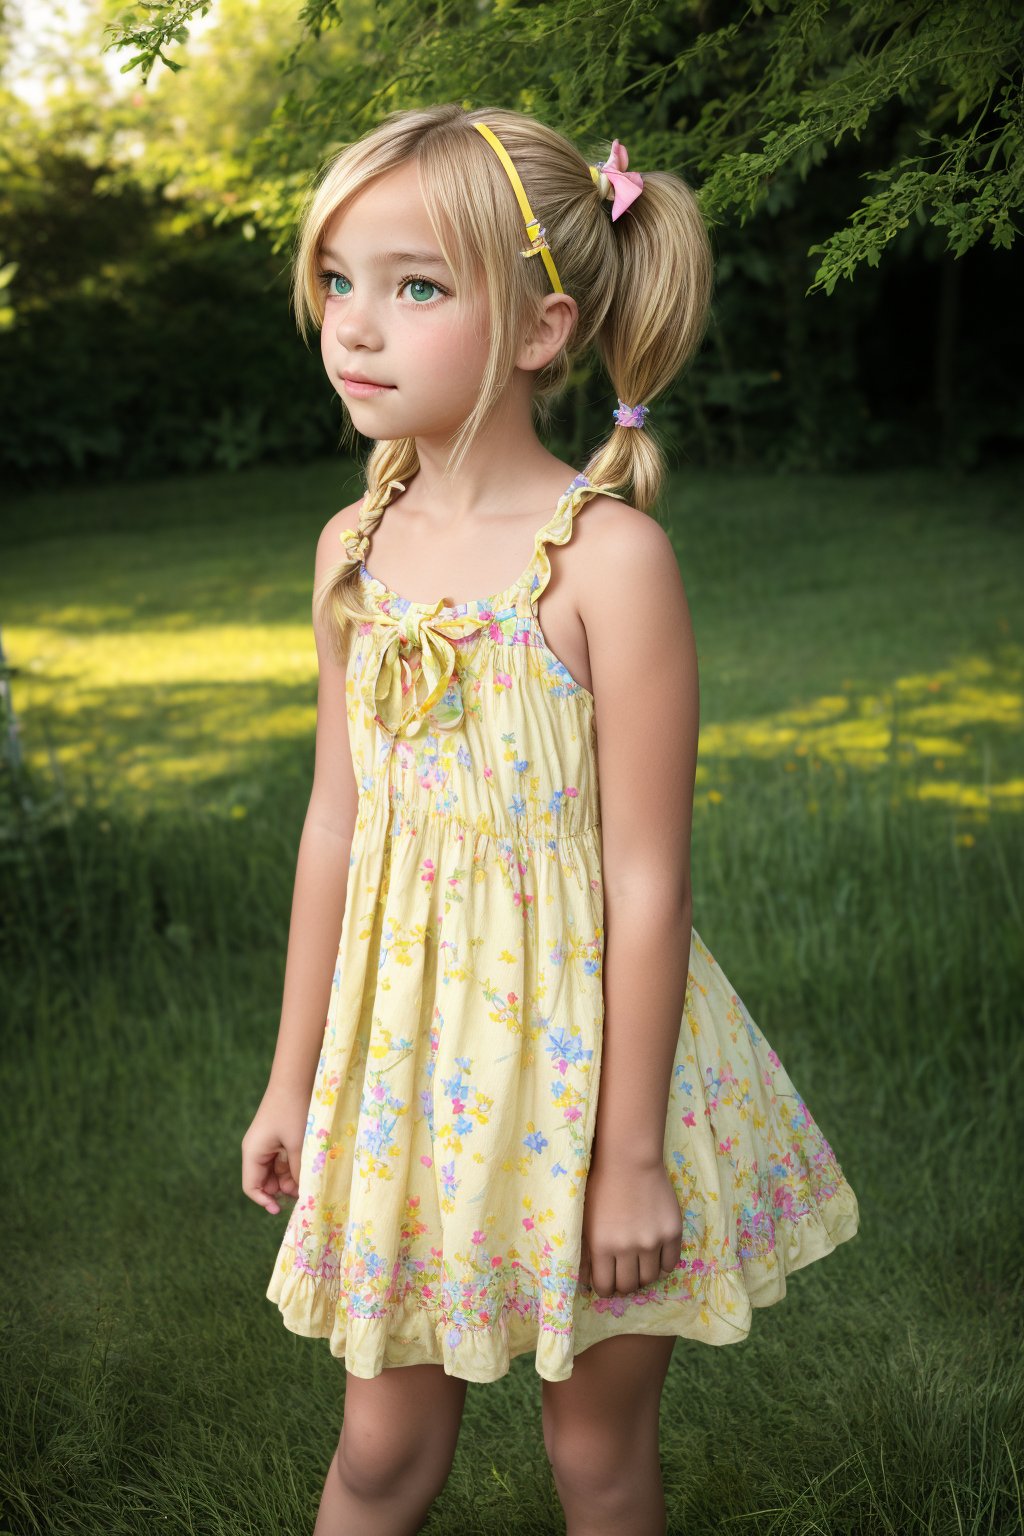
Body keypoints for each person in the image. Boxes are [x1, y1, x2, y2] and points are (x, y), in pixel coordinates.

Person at [241, 102, 861, 1536]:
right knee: (384, 1453)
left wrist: (631, 1154)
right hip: (407, 1068)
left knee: (596, 1459)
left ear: (540, 328)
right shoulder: (354, 544)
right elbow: (337, 824)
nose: (357, 326)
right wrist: (293, 1081)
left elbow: (647, 882)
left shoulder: (610, 563)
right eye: (339, 280)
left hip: (594, 1073)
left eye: (416, 286)